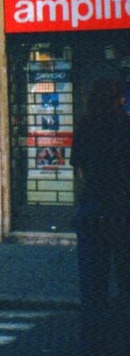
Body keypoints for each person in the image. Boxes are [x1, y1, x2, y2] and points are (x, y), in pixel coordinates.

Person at [70, 77, 130, 353]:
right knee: (125, 277)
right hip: (122, 210)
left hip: (92, 209)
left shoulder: (84, 126)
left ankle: (91, 342)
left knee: (92, 285)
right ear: (116, 100)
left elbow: (79, 170)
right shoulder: (126, 126)